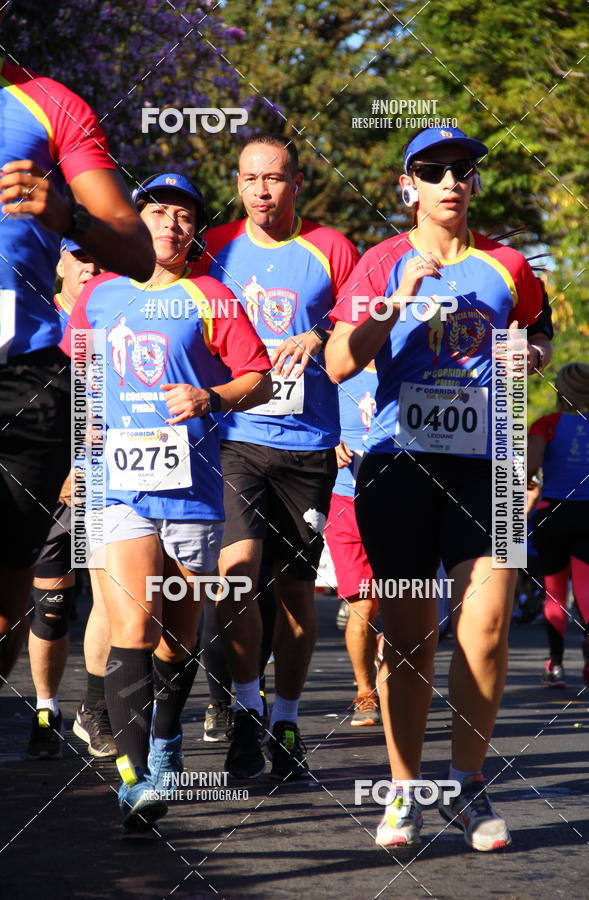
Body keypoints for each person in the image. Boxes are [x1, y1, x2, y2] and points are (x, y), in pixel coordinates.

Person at [326, 126, 544, 851]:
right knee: (413, 636)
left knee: (484, 627)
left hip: (488, 466)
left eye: (463, 169)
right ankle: (405, 788)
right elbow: (335, 362)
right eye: (433, 169)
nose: (451, 180)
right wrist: (395, 301)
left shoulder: (508, 265)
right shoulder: (380, 262)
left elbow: (536, 330)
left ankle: (468, 785)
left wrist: (533, 351)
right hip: (399, 465)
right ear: (407, 186)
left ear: (475, 184)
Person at [61, 172, 272, 831]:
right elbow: (81, 379)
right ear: (137, 219)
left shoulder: (212, 297)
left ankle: (165, 740)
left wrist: (212, 397)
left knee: (176, 641)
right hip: (121, 482)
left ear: (194, 231)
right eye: (157, 211)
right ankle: (133, 780)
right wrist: (77, 454)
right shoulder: (99, 295)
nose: (169, 225)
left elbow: (259, 380)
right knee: (133, 626)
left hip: (192, 487)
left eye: (183, 216)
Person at [202, 133, 359, 780]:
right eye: (250, 179)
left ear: (298, 183)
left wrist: (318, 333)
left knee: (295, 592)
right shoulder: (215, 248)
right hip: (236, 438)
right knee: (236, 575)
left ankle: (287, 719)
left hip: (308, 446)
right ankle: (244, 711)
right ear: (237, 186)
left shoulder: (332, 248)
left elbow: (358, 329)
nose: (263, 190)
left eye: (275, 178)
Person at [0, 29, 155, 686]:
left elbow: (137, 251)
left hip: (22, 382)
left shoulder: (49, 105)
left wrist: (67, 217)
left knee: (5, 613)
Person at [26, 239, 118, 759]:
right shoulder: (39, 319)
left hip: (102, 480)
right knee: (53, 609)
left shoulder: (115, 308)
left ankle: (94, 711)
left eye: (99, 258)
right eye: (80, 257)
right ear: (59, 262)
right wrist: (56, 470)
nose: (91, 267)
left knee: (108, 602)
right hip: (47, 482)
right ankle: (45, 707)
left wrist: (83, 467)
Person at [528, 362, 589, 688]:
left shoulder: (547, 425)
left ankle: (555, 665)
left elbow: (528, 471)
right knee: (587, 588)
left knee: (555, 591)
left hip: (553, 511)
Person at [325, 364, 382, 725]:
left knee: (399, 599)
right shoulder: (338, 366)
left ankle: (399, 683)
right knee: (364, 603)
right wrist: (329, 443)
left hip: (397, 501)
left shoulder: (410, 362)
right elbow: (309, 418)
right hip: (344, 500)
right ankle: (366, 693)